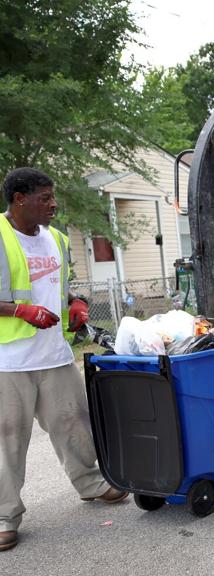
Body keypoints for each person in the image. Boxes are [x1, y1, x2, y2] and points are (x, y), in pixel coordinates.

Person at [0, 167, 127, 553]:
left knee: (74, 421)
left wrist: (77, 304)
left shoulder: (56, 238)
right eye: (44, 198)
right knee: (7, 439)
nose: (53, 204)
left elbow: (64, 287)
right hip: (8, 361)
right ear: (19, 199)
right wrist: (21, 312)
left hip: (54, 353)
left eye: (52, 197)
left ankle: (90, 484)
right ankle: (5, 516)